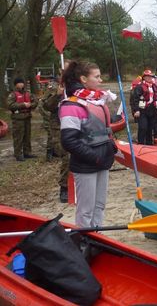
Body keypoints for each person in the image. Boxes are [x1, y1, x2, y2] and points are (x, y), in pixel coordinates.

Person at [59, 61, 117, 227]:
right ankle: (84, 242)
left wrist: (110, 150)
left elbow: (102, 131)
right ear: (84, 79)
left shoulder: (97, 101)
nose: (100, 80)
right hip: (86, 164)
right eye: (96, 76)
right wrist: (94, 157)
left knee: (99, 206)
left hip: (103, 161)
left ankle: (97, 239)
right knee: (86, 210)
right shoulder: (71, 105)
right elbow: (68, 141)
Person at [43, 72, 71, 203]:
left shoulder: (77, 84)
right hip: (59, 125)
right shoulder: (53, 87)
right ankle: (64, 188)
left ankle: (78, 185)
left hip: (75, 123)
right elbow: (47, 106)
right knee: (66, 156)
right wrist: (58, 95)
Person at [7, 78, 37, 161]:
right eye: (19, 83)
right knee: (18, 137)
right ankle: (18, 154)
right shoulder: (13, 94)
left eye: (22, 83)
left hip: (27, 117)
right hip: (17, 119)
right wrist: (23, 105)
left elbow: (35, 101)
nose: (21, 85)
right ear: (16, 84)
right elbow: (10, 105)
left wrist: (31, 105)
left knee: (27, 136)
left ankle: (27, 152)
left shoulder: (28, 93)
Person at [131, 70, 157, 145]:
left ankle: (149, 143)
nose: (149, 78)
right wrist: (136, 110)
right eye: (148, 76)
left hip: (152, 110)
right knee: (143, 127)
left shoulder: (154, 86)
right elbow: (135, 99)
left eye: (151, 76)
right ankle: (141, 143)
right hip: (142, 110)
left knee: (150, 128)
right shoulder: (139, 87)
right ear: (144, 77)